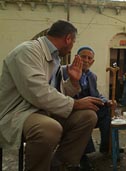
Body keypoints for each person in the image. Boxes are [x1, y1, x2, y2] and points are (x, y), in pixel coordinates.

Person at [0, 20, 105, 171]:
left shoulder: (54, 57)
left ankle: (59, 165)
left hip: (44, 110)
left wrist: (73, 82)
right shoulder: (27, 51)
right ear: (68, 38)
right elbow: (37, 92)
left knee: (88, 116)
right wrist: (75, 103)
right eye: (73, 42)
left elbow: (56, 93)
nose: (71, 49)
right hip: (21, 112)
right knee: (49, 128)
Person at [62, 46, 113, 171]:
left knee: (106, 110)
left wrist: (106, 101)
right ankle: (82, 154)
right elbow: (58, 95)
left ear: (92, 62)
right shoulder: (63, 71)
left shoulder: (92, 76)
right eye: (83, 56)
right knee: (87, 115)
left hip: (89, 106)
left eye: (89, 58)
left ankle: (106, 145)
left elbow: (96, 94)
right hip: (71, 108)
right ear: (76, 57)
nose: (86, 60)